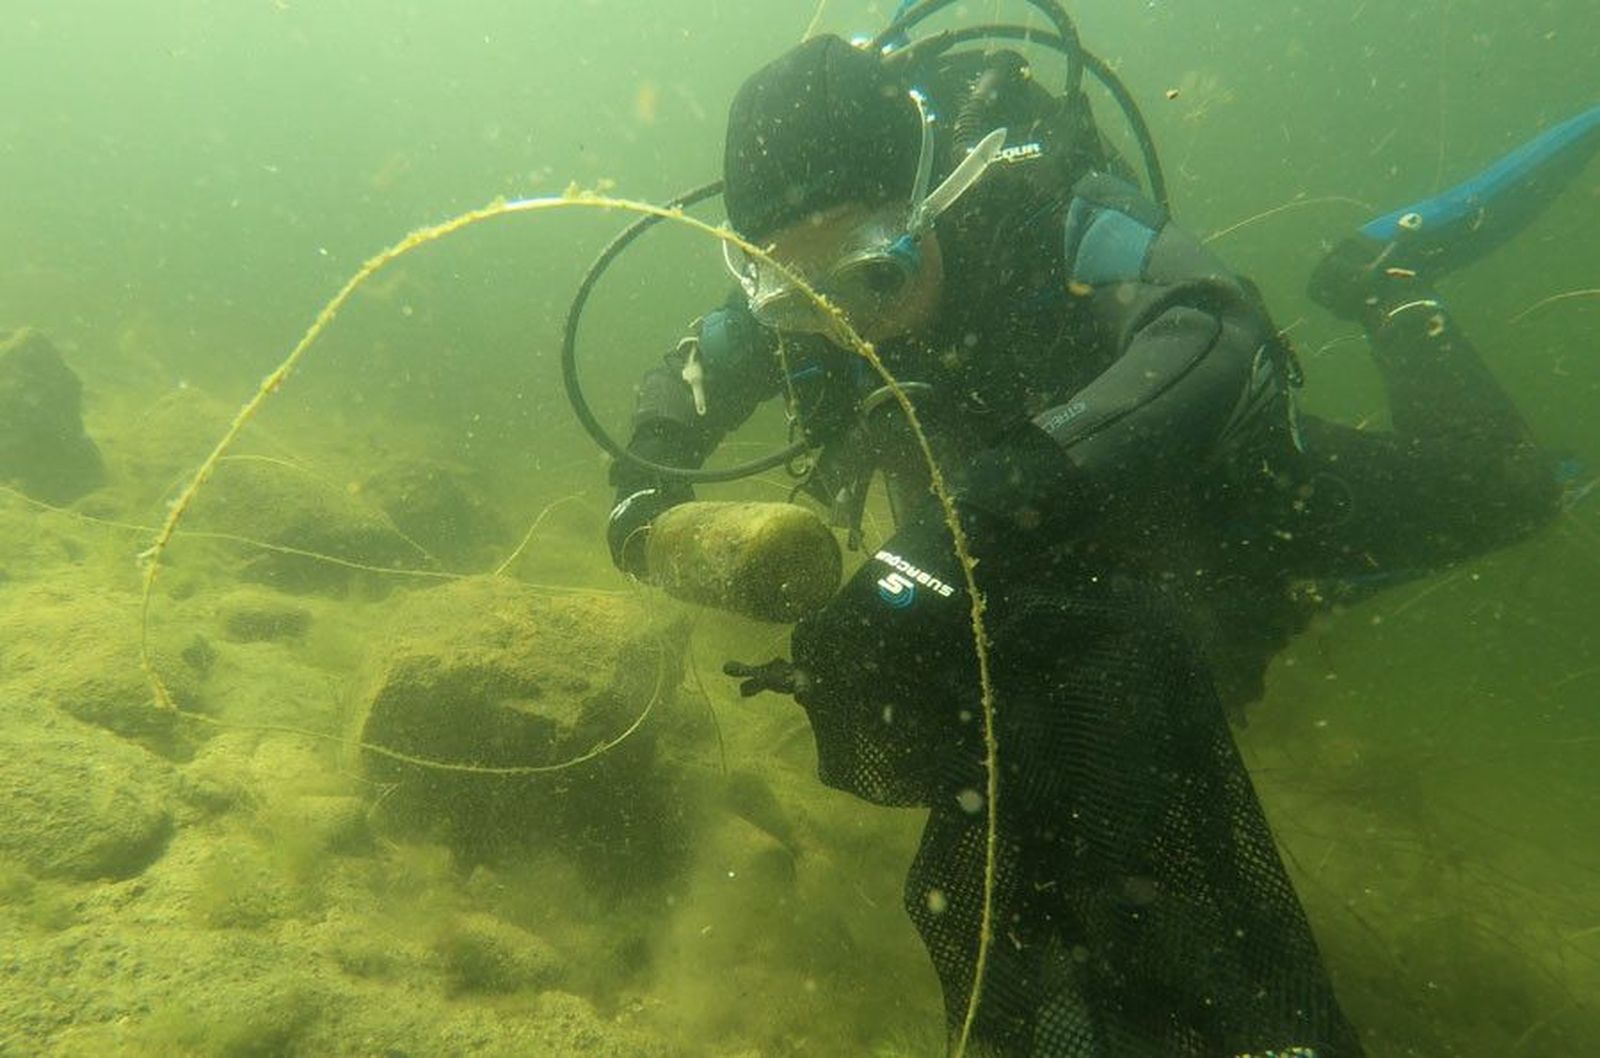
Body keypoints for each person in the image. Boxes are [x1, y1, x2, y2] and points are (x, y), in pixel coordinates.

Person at [601, 32, 1590, 1058]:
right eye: (797, 298)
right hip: (1043, 548)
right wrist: (639, 500)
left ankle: (1386, 272)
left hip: (1221, 493)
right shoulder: (797, 276)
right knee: (1099, 699)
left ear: (937, 193)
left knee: (1506, 493)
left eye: (873, 272)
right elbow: (682, 384)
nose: (849, 323)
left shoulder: (1056, 209)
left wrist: (961, 520)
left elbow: (1212, 329)